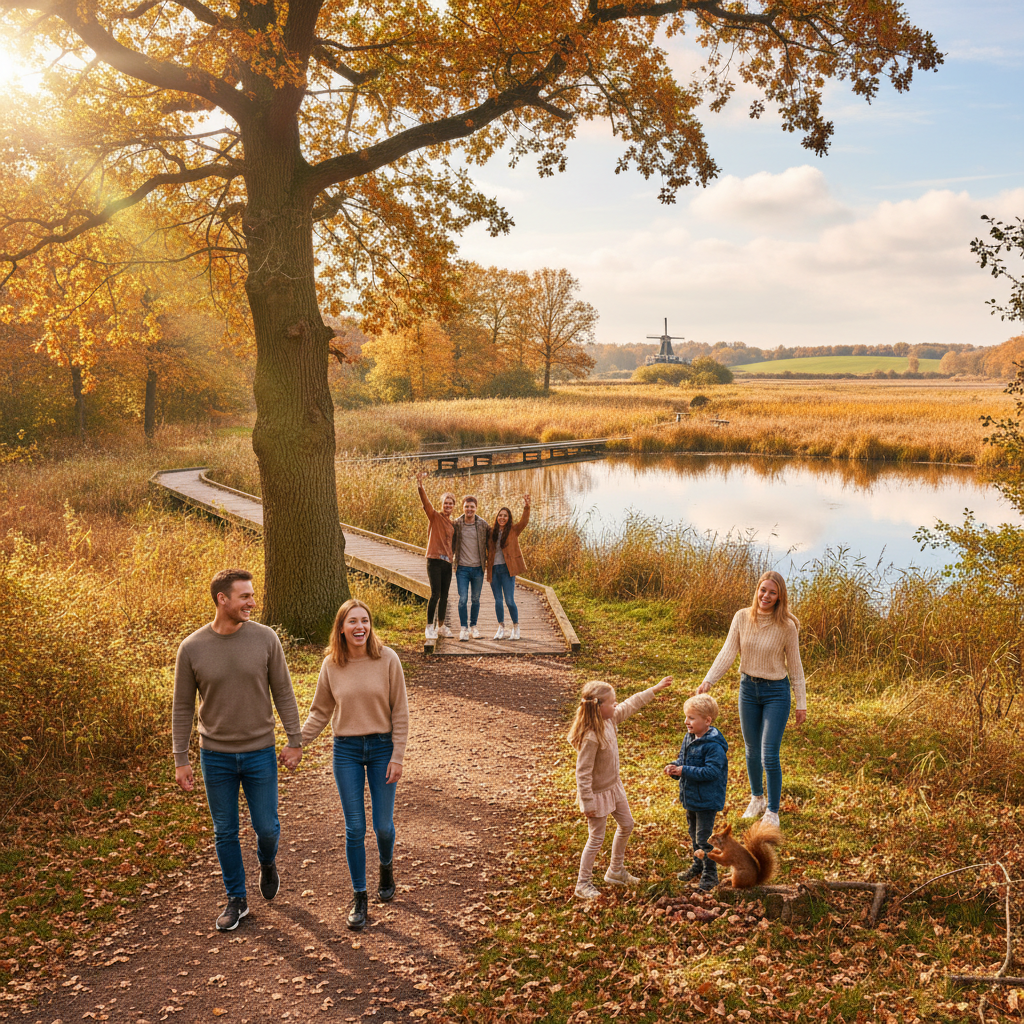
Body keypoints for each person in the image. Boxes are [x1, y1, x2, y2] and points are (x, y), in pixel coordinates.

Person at [172, 569, 303, 932]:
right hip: (215, 756)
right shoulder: (192, 647)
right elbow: (182, 707)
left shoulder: (265, 639)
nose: (252, 602)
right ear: (222, 600)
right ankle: (237, 899)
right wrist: (181, 759)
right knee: (224, 830)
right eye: (244, 596)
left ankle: (267, 861)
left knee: (267, 828)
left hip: (260, 751)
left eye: (252, 595)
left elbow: (284, 692)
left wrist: (295, 739)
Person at [300, 598, 409, 932]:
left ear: (370, 625)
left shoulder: (388, 659)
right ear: (342, 628)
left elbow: (400, 712)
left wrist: (397, 755)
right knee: (354, 828)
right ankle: (360, 897)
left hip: (381, 748)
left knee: (384, 827)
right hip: (345, 750)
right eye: (353, 622)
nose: (360, 627)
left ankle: (386, 865)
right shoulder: (332, 665)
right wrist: (297, 742)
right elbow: (320, 711)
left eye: (365, 621)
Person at [697, 570, 806, 829]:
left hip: (776, 693)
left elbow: (796, 667)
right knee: (751, 751)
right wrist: (709, 680)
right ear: (757, 590)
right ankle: (757, 798)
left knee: (769, 754)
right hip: (748, 689)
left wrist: (801, 702)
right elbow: (728, 651)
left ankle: (772, 812)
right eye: (763, 590)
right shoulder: (742, 617)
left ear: (780, 597)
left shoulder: (787, 626)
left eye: (772, 592)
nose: (766, 596)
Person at [567, 675, 673, 899]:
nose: (616, 704)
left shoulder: (610, 719)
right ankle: (582, 884)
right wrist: (587, 801)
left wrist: (654, 688)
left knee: (627, 824)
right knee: (596, 838)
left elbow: (631, 703)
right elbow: (583, 772)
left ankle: (615, 870)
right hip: (596, 794)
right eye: (612, 702)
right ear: (598, 707)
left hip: (614, 787)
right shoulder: (591, 736)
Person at [664, 693, 728, 892]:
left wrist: (684, 771)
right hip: (691, 797)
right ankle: (698, 865)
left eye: (691, 718)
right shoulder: (690, 737)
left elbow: (712, 772)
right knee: (694, 835)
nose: (686, 721)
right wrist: (675, 768)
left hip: (707, 800)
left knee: (704, 838)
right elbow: (683, 760)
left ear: (707, 720)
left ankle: (711, 875)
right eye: (686, 717)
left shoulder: (713, 746)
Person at [415, 472, 456, 640]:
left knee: (445, 595)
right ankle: (429, 626)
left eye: (450, 503)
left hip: (447, 564)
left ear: (454, 506)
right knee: (435, 594)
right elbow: (426, 504)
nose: (447, 506)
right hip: (434, 561)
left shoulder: (453, 524)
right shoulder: (435, 516)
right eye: (445, 503)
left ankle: (442, 626)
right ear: (442, 504)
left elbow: (453, 544)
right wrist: (420, 486)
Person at [485, 495, 531, 640]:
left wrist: (527, 507)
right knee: (498, 601)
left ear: (508, 518)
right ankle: (501, 627)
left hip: (507, 570)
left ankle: (516, 627)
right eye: (500, 515)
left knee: (509, 600)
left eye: (505, 516)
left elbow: (524, 522)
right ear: (497, 517)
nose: (502, 518)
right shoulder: (491, 532)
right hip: (494, 570)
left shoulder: (513, 530)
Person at [451, 494, 490, 641]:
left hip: (478, 568)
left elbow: (491, 542)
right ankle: (463, 628)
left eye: (472, 507)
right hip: (462, 568)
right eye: (467, 506)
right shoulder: (457, 523)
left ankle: (473, 627)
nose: (469, 509)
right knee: (463, 599)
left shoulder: (482, 525)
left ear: (476, 508)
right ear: (463, 507)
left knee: (475, 599)